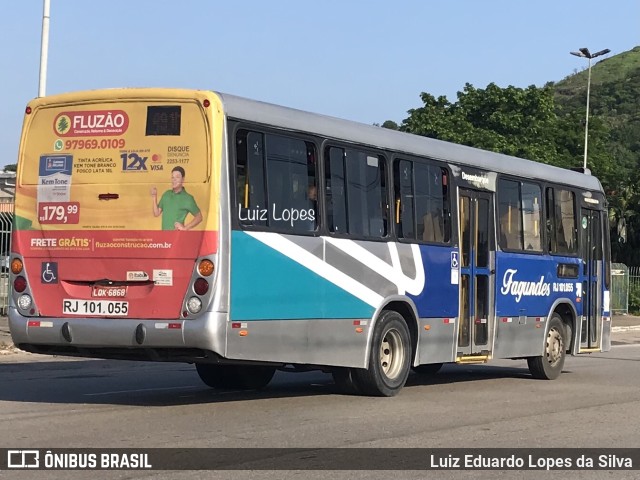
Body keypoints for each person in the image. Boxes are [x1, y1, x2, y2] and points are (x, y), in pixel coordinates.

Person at [151, 166, 203, 230]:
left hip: (177, 237)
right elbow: (156, 213)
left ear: (183, 179)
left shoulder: (188, 198)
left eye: (177, 177)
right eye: (172, 177)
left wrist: (185, 228)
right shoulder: (166, 194)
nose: (174, 179)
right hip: (164, 236)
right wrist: (154, 197)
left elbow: (199, 217)